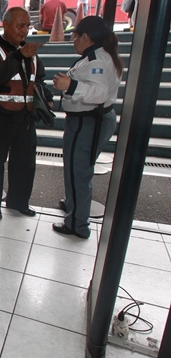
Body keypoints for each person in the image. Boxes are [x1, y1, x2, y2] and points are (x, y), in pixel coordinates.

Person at [0, 7, 53, 220]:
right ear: (5, 24)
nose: (25, 31)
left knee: (25, 163)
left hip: (26, 119)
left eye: (27, 26)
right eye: (20, 25)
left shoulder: (30, 52)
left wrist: (47, 97)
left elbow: (38, 80)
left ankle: (19, 202)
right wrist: (19, 55)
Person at [52, 16, 122, 239]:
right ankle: (74, 206)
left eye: (74, 36)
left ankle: (77, 224)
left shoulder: (96, 60)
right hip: (90, 121)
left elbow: (99, 93)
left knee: (78, 172)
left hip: (87, 122)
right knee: (78, 170)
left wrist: (70, 85)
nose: (72, 40)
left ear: (85, 37)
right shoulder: (98, 56)